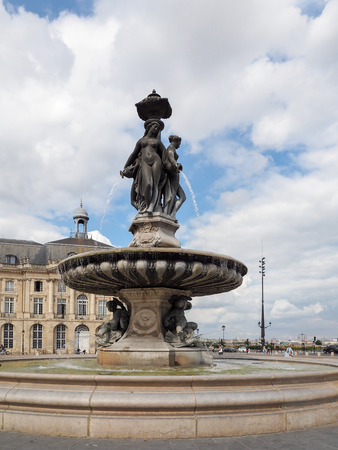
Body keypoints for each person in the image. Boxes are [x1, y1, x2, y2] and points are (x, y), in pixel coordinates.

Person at [121, 120, 166, 214]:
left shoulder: (157, 142)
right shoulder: (141, 141)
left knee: (155, 185)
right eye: (155, 127)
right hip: (145, 162)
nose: (156, 129)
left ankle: (151, 206)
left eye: (157, 128)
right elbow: (134, 154)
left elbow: (165, 154)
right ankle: (147, 204)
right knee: (148, 184)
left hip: (156, 161)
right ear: (149, 127)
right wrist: (126, 166)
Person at [162, 135, 186, 217]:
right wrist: (176, 164)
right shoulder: (171, 148)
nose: (180, 145)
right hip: (172, 174)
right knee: (172, 194)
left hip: (173, 174)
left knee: (182, 196)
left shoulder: (171, 148)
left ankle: (172, 213)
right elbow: (171, 156)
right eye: (179, 143)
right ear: (176, 142)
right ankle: (168, 213)